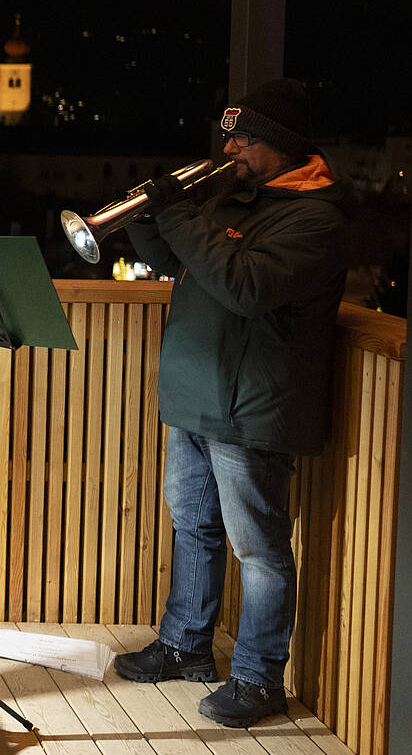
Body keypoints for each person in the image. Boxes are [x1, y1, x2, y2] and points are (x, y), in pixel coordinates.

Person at [113, 78, 353, 728]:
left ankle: (258, 677)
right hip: (195, 395)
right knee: (192, 526)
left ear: (282, 144)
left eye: (244, 137)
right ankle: (186, 645)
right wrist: (146, 216)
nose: (231, 147)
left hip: (252, 407)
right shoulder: (233, 195)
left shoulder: (314, 218)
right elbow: (173, 257)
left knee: (260, 548)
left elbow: (244, 285)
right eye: (228, 135)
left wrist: (181, 213)